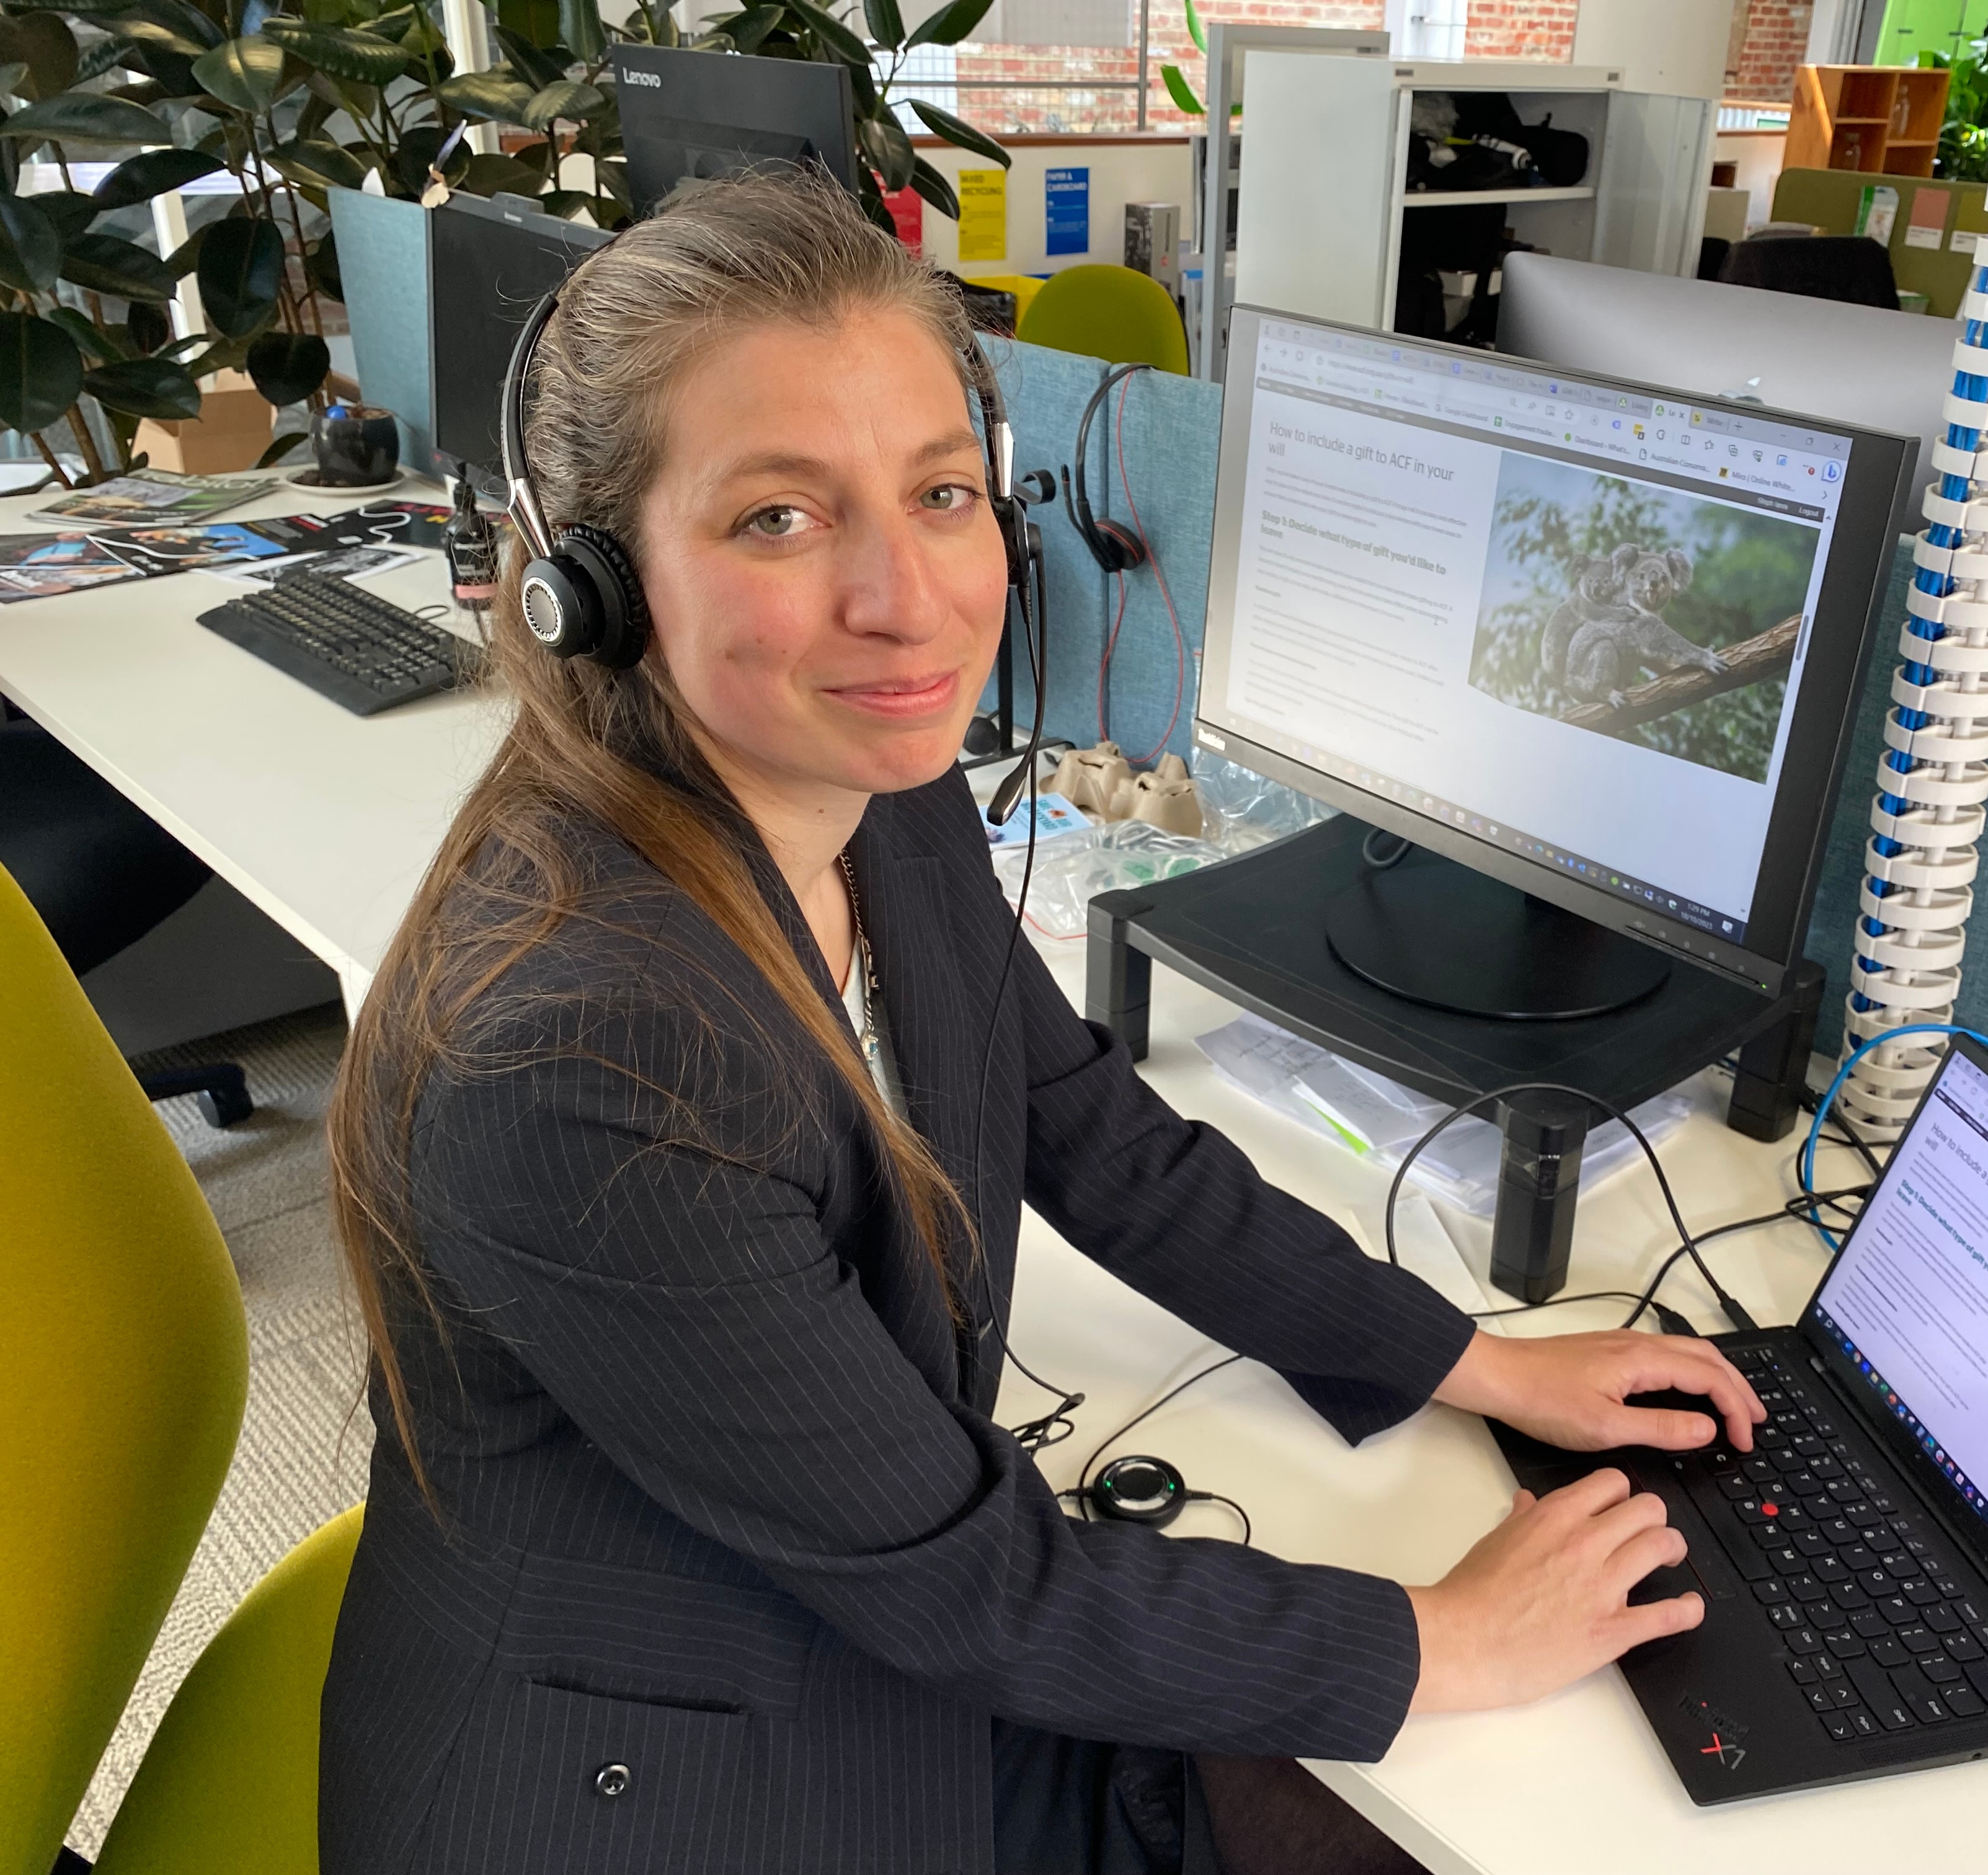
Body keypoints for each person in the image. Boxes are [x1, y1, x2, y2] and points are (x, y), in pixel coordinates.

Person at [321, 168, 1762, 1875]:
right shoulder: (583, 1056)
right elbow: (969, 1587)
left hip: (866, 1629)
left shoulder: (873, 783)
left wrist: (1480, 1362)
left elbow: (1099, 1135)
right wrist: (1443, 1640)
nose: (906, 598)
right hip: (669, 1787)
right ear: (594, 580)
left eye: (940, 493)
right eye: (776, 517)